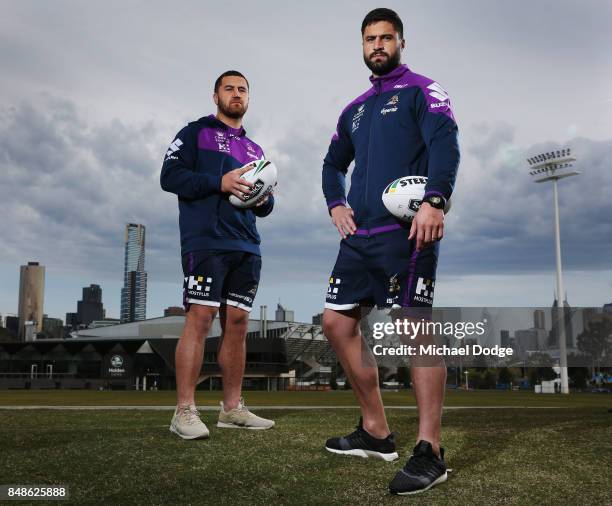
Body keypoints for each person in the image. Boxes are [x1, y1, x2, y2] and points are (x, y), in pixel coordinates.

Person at [321, 8, 460, 495]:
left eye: (385, 38)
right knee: (336, 322)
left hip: (408, 233)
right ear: (362, 46)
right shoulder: (354, 109)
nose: (377, 45)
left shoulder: (424, 91)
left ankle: (431, 452)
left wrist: (436, 200)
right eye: (369, 39)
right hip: (358, 240)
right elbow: (332, 162)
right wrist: (336, 202)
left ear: (401, 42)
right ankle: (377, 432)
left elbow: (446, 145)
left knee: (414, 328)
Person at [161, 70, 275, 439]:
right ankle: (184, 411)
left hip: (246, 245)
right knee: (201, 317)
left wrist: (263, 198)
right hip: (206, 241)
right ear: (215, 96)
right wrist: (218, 182)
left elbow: (262, 205)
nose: (237, 94)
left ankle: (231, 409)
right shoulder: (194, 133)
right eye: (229, 88)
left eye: (242, 89)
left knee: (239, 324)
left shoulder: (255, 150)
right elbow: (170, 176)